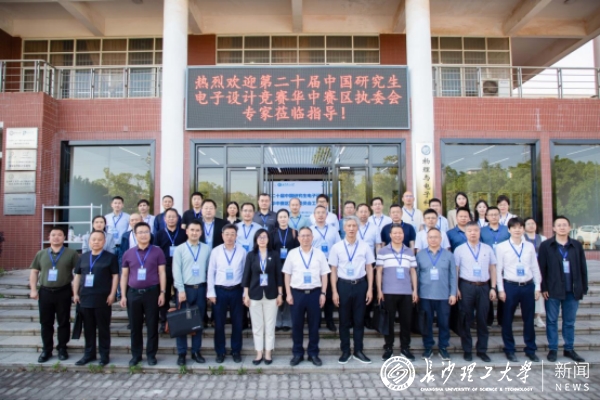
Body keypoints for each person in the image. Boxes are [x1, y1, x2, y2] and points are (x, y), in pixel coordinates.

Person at [539, 216, 588, 363]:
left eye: (564, 225)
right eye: (559, 225)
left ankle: (569, 348)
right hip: (552, 290)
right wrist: (543, 287)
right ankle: (553, 349)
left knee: (569, 322)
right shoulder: (546, 245)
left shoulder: (576, 245)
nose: (562, 227)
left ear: (569, 228)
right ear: (554, 228)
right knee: (551, 321)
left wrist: (583, 287)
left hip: (572, 290)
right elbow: (541, 268)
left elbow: (583, 267)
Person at [120, 221, 167, 366]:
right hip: (133, 294)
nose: (143, 235)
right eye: (140, 232)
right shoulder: (128, 253)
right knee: (135, 327)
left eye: (146, 232)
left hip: (152, 293)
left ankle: (151, 355)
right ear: (135, 235)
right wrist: (123, 295)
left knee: (152, 326)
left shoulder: (157, 251)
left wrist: (162, 292)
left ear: (150, 234)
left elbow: (162, 273)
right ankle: (136, 355)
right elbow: (124, 275)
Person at [29, 227, 79, 363]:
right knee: (46, 322)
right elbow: (34, 272)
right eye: (53, 235)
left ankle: (62, 348)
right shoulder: (41, 253)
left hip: (63, 291)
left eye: (59, 235)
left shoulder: (72, 253)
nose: (56, 237)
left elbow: (78, 273)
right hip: (45, 292)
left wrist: (76, 292)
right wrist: (33, 289)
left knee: (64, 321)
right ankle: (47, 349)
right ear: (49, 237)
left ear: (64, 238)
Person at [329, 216, 374, 364]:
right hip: (343, 285)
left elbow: (369, 268)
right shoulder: (336, 247)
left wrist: (370, 289)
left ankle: (358, 350)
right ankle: (345, 351)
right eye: (348, 226)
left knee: (359, 320)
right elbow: (333, 270)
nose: (351, 228)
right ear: (344, 228)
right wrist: (334, 291)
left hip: (361, 285)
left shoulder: (365, 246)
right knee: (344, 320)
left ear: (358, 228)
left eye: (354, 226)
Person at [496, 217, 542, 363]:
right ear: (509, 230)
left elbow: (535, 267)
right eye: (514, 227)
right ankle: (509, 349)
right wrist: (500, 289)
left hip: (528, 286)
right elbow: (498, 270)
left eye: (520, 227)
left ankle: (530, 349)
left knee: (528, 319)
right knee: (507, 319)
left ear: (523, 229)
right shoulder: (501, 247)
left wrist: (538, 286)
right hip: (510, 286)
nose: (517, 230)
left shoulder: (529, 246)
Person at [283, 227, 330, 367]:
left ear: (312, 237)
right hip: (297, 293)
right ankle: (297, 353)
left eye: (308, 235)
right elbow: (287, 274)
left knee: (314, 326)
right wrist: (288, 293)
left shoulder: (319, 254)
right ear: (298, 238)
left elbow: (324, 275)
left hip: (314, 293)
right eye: (302, 236)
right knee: (297, 325)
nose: (305, 238)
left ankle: (313, 353)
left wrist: (323, 293)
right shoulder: (292, 253)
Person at [73, 231, 119, 366]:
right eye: (93, 239)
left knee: (103, 329)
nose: (96, 242)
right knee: (88, 328)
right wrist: (75, 293)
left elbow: (115, 276)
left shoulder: (110, 257)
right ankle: (89, 354)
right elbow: (77, 276)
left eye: (99, 239)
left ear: (104, 242)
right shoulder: (83, 257)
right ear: (89, 241)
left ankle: (104, 355)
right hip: (85, 298)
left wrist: (112, 294)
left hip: (103, 298)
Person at [454, 222, 496, 362]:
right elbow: (456, 270)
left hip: (484, 286)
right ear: (465, 233)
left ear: (479, 232)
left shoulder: (487, 249)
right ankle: (467, 350)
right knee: (465, 318)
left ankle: (482, 350)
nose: (473, 233)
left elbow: (493, 268)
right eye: (470, 230)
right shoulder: (459, 250)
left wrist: (493, 287)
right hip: (466, 286)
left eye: (476, 230)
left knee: (483, 319)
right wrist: (456, 288)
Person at [376, 223, 418, 361]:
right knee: (389, 322)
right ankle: (388, 347)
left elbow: (413, 271)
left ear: (403, 235)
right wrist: (379, 290)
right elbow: (379, 272)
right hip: (388, 292)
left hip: (406, 292)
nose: (398, 235)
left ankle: (405, 348)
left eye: (400, 233)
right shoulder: (383, 251)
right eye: (395, 233)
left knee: (406, 322)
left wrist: (415, 290)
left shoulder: (409, 252)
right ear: (390, 235)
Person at [172, 220, 211, 366]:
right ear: (187, 231)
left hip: (200, 289)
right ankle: (182, 353)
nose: (194, 233)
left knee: (197, 323)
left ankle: (196, 351)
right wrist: (180, 290)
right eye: (192, 230)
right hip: (185, 290)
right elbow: (176, 271)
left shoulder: (206, 249)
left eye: (197, 230)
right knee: (182, 323)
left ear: (201, 232)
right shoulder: (180, 249)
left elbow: (209, 270)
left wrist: (208, 290)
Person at [207, 224, 247, 363]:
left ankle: (236, 350)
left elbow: (245, 273)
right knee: (219, 323)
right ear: (222, 235)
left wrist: (245, 293)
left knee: (237, 323)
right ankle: (220, 351)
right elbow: (211, 272)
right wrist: (211, 292)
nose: (229, 237)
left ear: (236, 236)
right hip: (220, 290)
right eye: (227, 234)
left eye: (232, 234)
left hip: (237, 290)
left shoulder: (242, 251)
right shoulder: (216, 251)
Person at [242, 229, 283, 365]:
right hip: (254, 294)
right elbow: (246, 276)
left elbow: (278, 275)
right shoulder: (251, 255)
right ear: (256, 239)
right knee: (257, 326)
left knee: (270, 325)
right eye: (259, 237)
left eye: (264, 237)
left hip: (271, 294)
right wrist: (246, 294)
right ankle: (259, 352)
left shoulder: (274, 254)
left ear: (268, 239)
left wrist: (280, 294)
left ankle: (268, 352)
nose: (262, 239)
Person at [416, 228, 457, 361]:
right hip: (425, 295)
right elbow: (416, 275)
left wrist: (453, 293)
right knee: (426, 323)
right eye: (430, 237)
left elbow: (453, 276)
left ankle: (443, 347)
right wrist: (415, 292)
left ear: (441, 239)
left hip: (444, 295)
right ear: (427, 239)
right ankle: (428, 347)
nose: (433, 240)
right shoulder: (420, 255)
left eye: (436, 237)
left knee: (444, 323)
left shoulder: (449, 255)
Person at [153, 208, 188, 334]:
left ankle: (181, 323)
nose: (171, 219)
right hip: (164, 268)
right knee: (164, 295)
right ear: (164, 219)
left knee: (181, 296)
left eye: (174, 217)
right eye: (169, 217)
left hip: (181, 268)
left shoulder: (184, 233)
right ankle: (164, 323)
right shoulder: (159, 234)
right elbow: (156, 252)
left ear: (178, 219)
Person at [310, 205, 341, 332]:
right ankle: (316, 321)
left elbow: (338, 247)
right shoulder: (310, 230)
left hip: (330, 263)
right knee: (316, 292)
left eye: (323, 212)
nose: (321, 215)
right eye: (318, 213)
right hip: (314, 264)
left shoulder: (333, 230)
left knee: (328, 293)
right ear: (314, 215)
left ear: (327, 215)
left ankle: (329, 320)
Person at [269, 209, 300, 332]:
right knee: (276, 291)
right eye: (280, 217)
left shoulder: (294, 232)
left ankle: (287, 320)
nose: (282, 219)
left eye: (285, 216)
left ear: (288, 218)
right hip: (276, 266)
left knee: (288, 292)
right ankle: (277, 321)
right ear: (277, 219)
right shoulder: (272, 233)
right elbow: (270, 250)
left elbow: (298, 250)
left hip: (291, 266)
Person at [481, 206, 511, 327]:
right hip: (487, 265)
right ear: (486, 217)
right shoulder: (481, 230)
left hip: (505, 265)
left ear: (500, 216)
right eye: (491, 214)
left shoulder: (507, 230)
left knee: (504, 292)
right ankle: (488, 319)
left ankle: (502, 320)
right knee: (488, 292)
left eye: (496, 214)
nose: (493, 217)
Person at [524, 217, 547, 328]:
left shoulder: (542, 238)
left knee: (538, 292)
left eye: (533, 223)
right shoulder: (522, 238)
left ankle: (537, 316)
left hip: (540, 268)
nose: (531, 225)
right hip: (526, 269)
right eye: (528, 224)